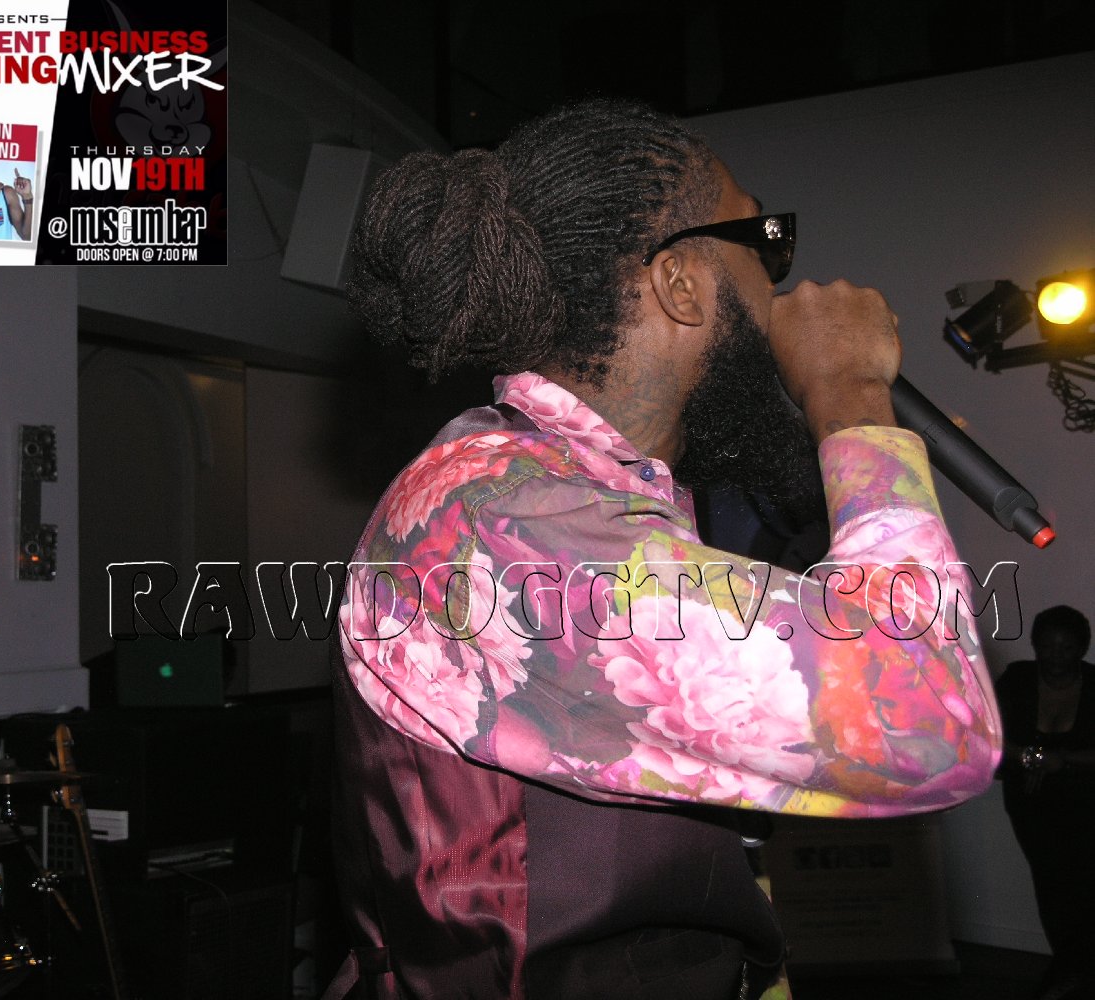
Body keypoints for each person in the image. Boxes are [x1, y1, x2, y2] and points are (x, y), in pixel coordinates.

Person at [329, 98, 1003, 1000]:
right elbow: (929, 727)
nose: (783, 285)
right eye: (763, 240)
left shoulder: (586, 497)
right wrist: (848, 395)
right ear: (680, 282)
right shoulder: (502, 517)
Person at [996, 605, 1095, 999]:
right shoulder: (1017, 679)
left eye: (1066, 648)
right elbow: (985, 733)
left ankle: (1072, 971)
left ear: (1082, 649)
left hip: (1086, 801)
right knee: (1052, 886)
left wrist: (1062, 760)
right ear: (1035, 645)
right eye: (1047, 646)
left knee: (1084, 886)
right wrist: (1030, 757)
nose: (1055, 656)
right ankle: (1071, 970)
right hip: (1032, 801)